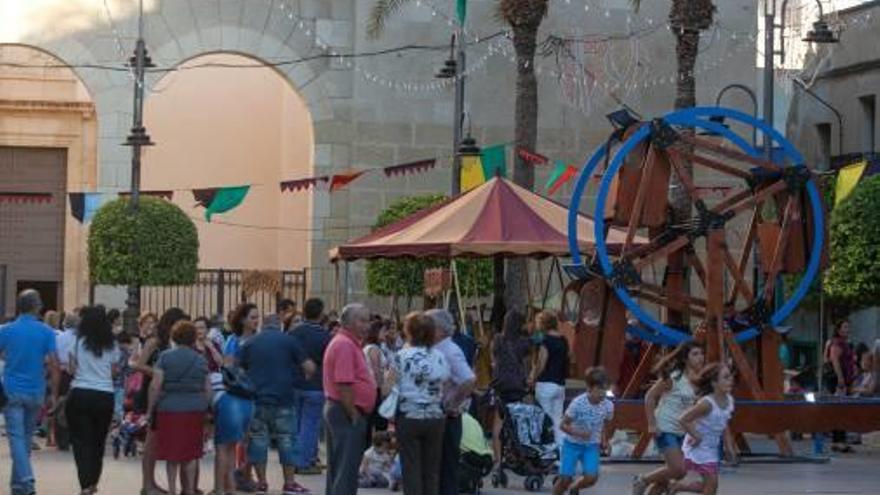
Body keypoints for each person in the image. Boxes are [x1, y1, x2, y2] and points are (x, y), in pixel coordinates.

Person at [239, 314, 315, 495]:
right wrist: (300, 377)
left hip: (257, 400)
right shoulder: (290, 341)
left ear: (263, 326)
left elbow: (238, 371)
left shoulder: (249, 343)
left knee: (258, 441)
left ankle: (262, 482)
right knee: (287, 440)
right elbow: (309, 368)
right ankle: (289, 483)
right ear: (279, 325)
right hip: (284, 400)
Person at [0, 290, 61, 495]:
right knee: (25, 437)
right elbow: (54, 364)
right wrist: (53, 394)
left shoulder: (6, 330)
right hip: (36, 391)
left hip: (11, 390)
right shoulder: (46, 332)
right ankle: (20, 486)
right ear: (37, 307)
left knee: (17, 437)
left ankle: (24, 480)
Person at [387, 312, 450, 495]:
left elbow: (388, 387)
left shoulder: (400, 356)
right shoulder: (439, 356)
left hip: (408, 416)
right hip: (435, 417)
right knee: (431, 470)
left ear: (408, 332)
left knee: (411, 468)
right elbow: (445, 380)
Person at [632, 342, 706, 495]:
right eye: (695, 354)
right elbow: (649, 397)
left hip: (682, 431)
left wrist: (694, 432)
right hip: (665, 428)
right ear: (685, 359)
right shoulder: (674, 378)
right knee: (678, 469)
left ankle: (647, 487)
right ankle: (642, 480)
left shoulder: (698, 380)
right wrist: (652, 424)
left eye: (701, 354)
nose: (700, 358)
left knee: (671, 475)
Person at [147, 320, 211, 495]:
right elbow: (207, 388)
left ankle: (173, 490)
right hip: (194, 410)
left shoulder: (165, 357)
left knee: (172, 454)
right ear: (192, 338)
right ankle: (189, 489)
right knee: (191, 453)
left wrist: (150, 409)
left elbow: (155, 385)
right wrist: (205, 408)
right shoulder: (200, 359)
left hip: (169, 410)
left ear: (174, 336)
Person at [65, 306, 120, 495]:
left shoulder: (78, 342)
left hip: (80, 393)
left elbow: (72, 369)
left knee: (81, 442)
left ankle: (85, 484)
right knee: (98, 441)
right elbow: (114, 371)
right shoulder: (112, 345)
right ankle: (94, 482)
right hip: (104, 394)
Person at [322, 303, 376, 495]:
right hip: (345, 410)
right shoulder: (344, 345)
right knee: (346, 469)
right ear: (348, 323)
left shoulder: (348, 343)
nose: (367, 325)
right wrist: (353, 414)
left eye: (367, 320)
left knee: (341, 467)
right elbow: (344, 383)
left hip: (342, 409)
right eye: (362, 320)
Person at [136, 307, 188, 495]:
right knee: (152, 440)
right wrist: (158, 373)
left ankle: (152, 483)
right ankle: (147, 484)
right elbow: (139, 365)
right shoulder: (155, 343)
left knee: (157, 440)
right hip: (153, 391)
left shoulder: (176, 344)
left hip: (167, 394)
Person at [425, 309, 477, 495]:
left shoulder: (449, 351)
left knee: (446, 468)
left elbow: (468, 380)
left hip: (446, 417)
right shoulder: (437, 348)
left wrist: (451, 404)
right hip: (435, 416)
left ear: (438, 329)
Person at [668, 364, 736, 495]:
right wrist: (697, 436)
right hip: (699, 447)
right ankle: (676, 486)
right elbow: (683, 419)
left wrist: (729, 446)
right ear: (714, 383)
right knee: (712, 485)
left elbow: (725, 424)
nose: (731, 379)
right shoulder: (706, 403)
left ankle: (677, 486)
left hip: (711, 447)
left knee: (707, 486)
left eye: (731, 376)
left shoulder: (729, 400)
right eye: (726, 377)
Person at [552, 367, 614, 495]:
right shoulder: (578, 403)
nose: (603, 393)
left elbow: (605, 423)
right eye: (599, 389)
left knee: (592, 478)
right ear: (589, 388)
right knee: (565, 480)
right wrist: (578, 433)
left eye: (605, 389)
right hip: (572, 445)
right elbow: (562, 425)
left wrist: (605, 440)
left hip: (591, 446)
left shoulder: (608, 405)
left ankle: (575, 487)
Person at [290, 298, 332, 475]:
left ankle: (292, 460)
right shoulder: (326, 336)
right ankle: (304, 461)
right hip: (315, 385)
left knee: (296, 424)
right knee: (310, 425)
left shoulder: (293, 333)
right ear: (321, 314)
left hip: (294, 383)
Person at [224, 303, 260, 491]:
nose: (256, 321)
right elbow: (228, 367)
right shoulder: (234, 340)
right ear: (243, 319)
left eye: (257, 317)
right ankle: (241, 473)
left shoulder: (259, 339)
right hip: (240, 393)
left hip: (257, 392)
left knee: (254, 437)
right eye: (253, 317)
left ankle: (245, 472)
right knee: (242, 437)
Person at [490, 310, 531, 466]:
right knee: (517, 420)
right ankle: (517, 455)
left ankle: (498, 460)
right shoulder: (523, 341)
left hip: (501, 385)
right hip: (517, 385)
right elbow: (533, 347)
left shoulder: (497, 340)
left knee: (498, 423)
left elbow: (493, 360)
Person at [528, 310, 570, 446]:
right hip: (560, 385)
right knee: (557, 419)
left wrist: (533, 377)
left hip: (546, 383)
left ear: (543, 324)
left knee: (544, 419)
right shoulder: (563, 340)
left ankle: (545, 450)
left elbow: (541, 362)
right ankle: (561, 449)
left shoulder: (545, 340)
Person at [825, 320, 857, 453]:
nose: (847, 329)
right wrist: (841, 379)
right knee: (839, 410)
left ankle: (841, 440)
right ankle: (837, 441)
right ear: (838, 330)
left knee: (843, 410)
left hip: (847, 381)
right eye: (844, 327)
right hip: (839, 381)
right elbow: (835, 361)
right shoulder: (837, 343)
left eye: (848, 327)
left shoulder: (846, 343)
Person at [364, 319, 390, 443]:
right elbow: (377, 371)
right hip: (375, 389)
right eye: (384, 331)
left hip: (372, 388)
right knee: (379, 421)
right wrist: (383, 390)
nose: (386, 334)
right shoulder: (374, 349)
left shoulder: (373, 348)